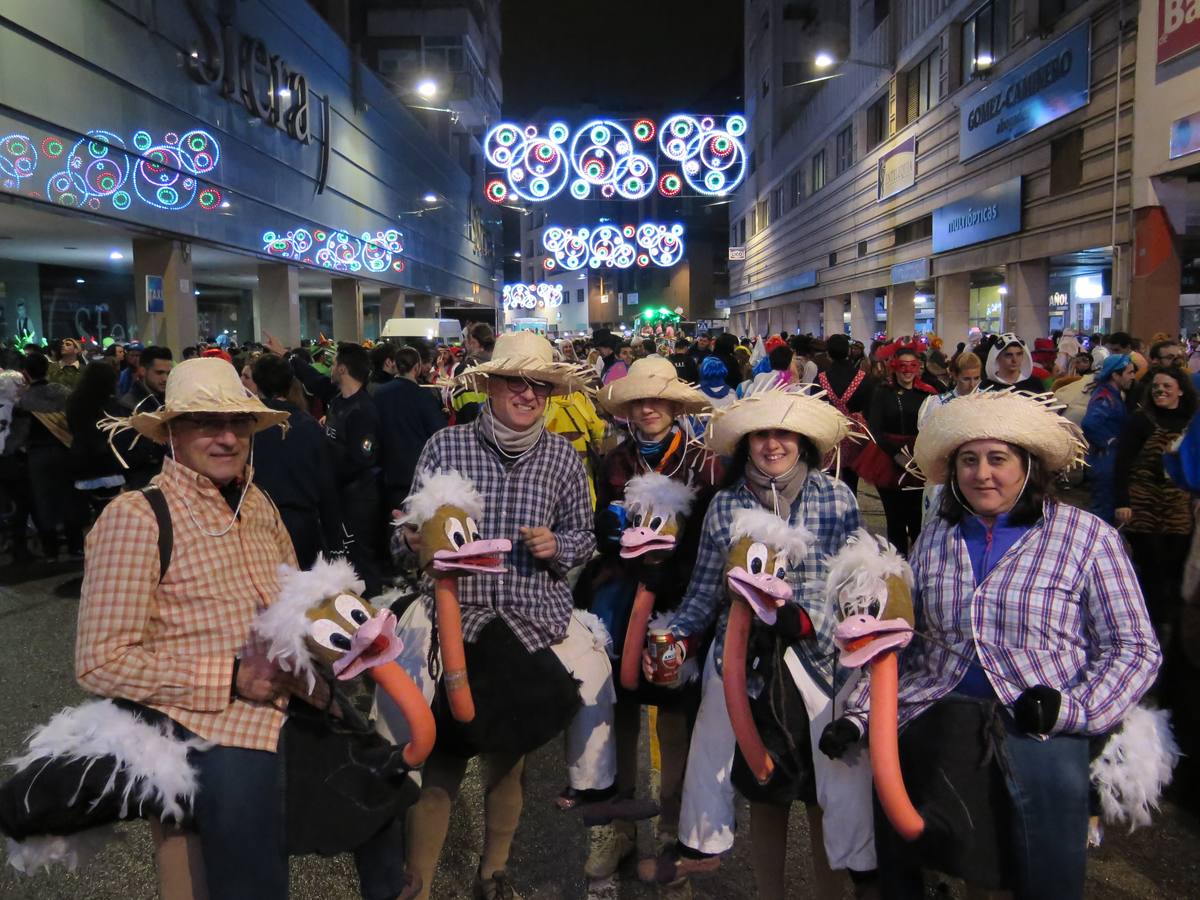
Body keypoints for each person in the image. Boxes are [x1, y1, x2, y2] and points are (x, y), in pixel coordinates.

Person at [74, 358, 415, 899]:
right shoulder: (135, 519)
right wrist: (233, 677)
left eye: (237, 423)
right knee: (252, 870)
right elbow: (99, 660)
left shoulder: (256, 502)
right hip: (205, 721)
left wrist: (334, 629)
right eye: (207, 423)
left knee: (385, 791)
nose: (228, 437)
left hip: (293, 697)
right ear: (172, 434)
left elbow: (289, 601)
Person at [829, 390, 1161, 900]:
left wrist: (1074, 709)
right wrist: (857, 712)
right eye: (969, 460)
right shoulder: (936, 536)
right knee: (922, 860)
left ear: (1028, 466)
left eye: (998, 459)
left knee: (1035, 871)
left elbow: (1135, 647)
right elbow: (906, 641)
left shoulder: (1087, 538)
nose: (982, 474)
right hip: (938, 714)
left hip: (1039, 729)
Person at [380, 332, 633, 899]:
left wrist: (557, 549)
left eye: (539, 385)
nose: (528, 393)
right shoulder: (446, 448)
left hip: (528, 621)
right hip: (456, 619)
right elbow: (404, 536)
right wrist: (416, 540)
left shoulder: (563, 457)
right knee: (441, 762)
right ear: (490, 384)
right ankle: (416, 885)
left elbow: (583, 537)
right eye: (515, 382)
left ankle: (493, 873)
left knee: (508, 760)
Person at [638, 387, 873, 899]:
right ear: (747, 444)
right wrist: (673, 635)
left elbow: (856, 587)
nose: (772, 444)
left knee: (823, 797)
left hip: (822, 667)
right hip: (745, 670)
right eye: (762, 434)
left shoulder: (837, 497)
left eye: (783, 434)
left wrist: (808, 622)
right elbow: (704, 592)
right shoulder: (724, 506)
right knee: (765, 793)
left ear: (803, 442)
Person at [583, 357, 720, 881]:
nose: (648, 408)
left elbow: (710, 538)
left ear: (675, 405)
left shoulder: (706, 463)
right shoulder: (613, 459)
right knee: (618, 712)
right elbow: (603, 531)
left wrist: (670, 574)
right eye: (639, 400)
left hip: (680, 601)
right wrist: (612, 532)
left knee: (676, 716)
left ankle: (670, 834)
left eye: (657, 399)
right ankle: (619, 827)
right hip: (618, 599)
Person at [1114, 366, 1197, 647]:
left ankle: (1174, 629)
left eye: (1167, 386)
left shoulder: (1191, 422)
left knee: (1176, 567)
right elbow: (1122, 464)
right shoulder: (1141, 422)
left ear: (1181, 390)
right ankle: (1150, 629)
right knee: (1150, 568)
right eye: (1157, 387)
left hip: (1179, 507)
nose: (1160, 391)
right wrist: (1122, 501)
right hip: (1144, 504)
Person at [250, 353, 344, 569]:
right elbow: (327, 489)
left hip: (258, 527)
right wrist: (335, 544)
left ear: (257, 384)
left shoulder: (247, 426)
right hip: (303, 530)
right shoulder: (309, 426)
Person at [861, 343, 936, 554]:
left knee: (918, 520)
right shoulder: (883, 392)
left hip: (920, 461)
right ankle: (898, 570)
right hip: (888, 461)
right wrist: (895, 455)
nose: (907, 371)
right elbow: (874, 428)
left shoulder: (928, 393)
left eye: (912, 366)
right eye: (902, 366)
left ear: (919, 367)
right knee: (895, 521)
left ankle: (919, 565)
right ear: (894, 366)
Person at [325, 342, 384, 593]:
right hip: (340, 495)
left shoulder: (362, 410)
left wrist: (328, 476)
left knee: (360, 557)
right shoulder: (339, 403)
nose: (330, 367)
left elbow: (362, 457)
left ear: (342, 369)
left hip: (358, 497)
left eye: (333, 362)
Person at [17, 352, 81, 560]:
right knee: (69, 498)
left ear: (25, 374)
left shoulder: (24, 400)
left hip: (37, 456)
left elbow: (21, 433)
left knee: (43, 502)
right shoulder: (63, 392)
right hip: (65, 450)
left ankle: (51, 550)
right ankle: (75, 546)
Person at [374, 345, 447, 521]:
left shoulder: (379, 394)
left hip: (387, 475)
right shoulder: (425, 397)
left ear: (397, 366)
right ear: (416, 368)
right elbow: (439, 433)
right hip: (418, 477)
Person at [66, 361, 126, 518]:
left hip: (81, 461)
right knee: (109, 514)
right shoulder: (110, 404)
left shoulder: (73, 400)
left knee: (85, 514)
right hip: (107, 463)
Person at [1082, 354, 1136, 524]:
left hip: (1109, 460)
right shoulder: (1105, 397)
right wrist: (1109, 441)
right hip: (1105, 461)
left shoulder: (1113, 394)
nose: (1133, 377)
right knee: (1103, 513)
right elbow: (1089, 424)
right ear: (1115, 375)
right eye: (1129, 373)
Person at [817, 334, 874, 495]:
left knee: (829, 477)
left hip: (830, 429)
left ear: (828, 353)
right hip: (856, 432)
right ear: (849, 351)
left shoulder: (821, 378)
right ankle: (851, 508)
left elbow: (816, 406)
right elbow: (870, 407)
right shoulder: (862, 378)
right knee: (851, 478)